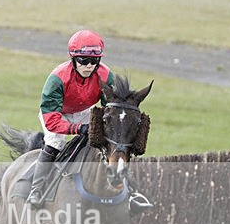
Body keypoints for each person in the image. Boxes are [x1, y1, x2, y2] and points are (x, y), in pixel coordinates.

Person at [27, 29, 152, 214]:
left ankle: (131, 193)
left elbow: (112, 107)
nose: (89, 65)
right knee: (56, 143)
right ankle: (36, 191)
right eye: (83, 60)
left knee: (110, 143)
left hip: (86, 111)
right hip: (57, 114)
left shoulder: (106, 76)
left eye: (94, 61)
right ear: (73, 59)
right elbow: (52, 121)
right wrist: (78, 128)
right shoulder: (57, 79)